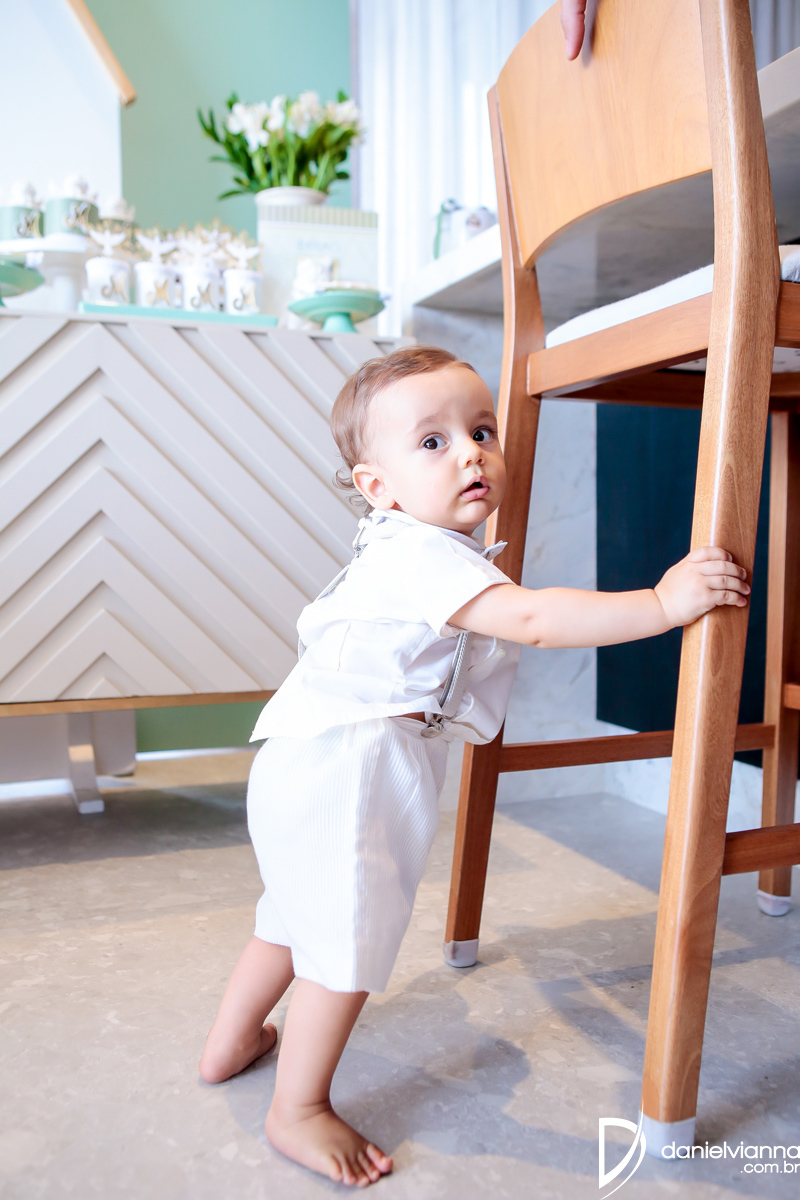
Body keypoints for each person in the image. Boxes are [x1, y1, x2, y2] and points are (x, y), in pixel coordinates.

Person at [199, 346, 749, 1187]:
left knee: (291, 914)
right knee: (344, 943)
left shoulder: (402, 547)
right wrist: (662, 604)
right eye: (433, 442)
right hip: (353, 767)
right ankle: (298, 1107)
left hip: (305, 760)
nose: (471, 453)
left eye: (482, 431)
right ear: (377, 486)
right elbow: (532, 619)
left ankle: (232, 1040)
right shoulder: (423, 556)